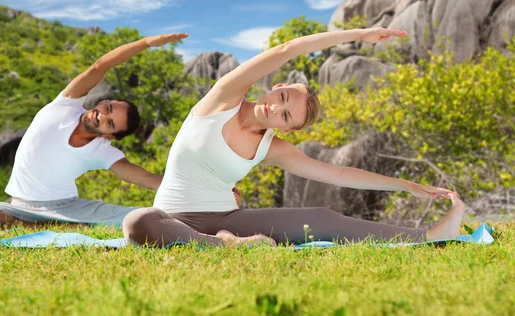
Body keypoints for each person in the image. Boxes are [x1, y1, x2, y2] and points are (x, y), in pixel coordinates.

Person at [123, 28, 466, 247]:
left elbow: (340, 174)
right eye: (282, 99)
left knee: (323, 218)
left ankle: (430, 236)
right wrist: (358, 34)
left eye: (286, 116)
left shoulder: (272, 147)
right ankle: (227, 246)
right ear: (277, 87)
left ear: (286, 129)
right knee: (138, 221)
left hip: (227, 218)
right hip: (171, 218)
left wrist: (403, 184)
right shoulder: (222, 99)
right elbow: (286, 49)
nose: (276, 109)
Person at [0, 33, 188, 230]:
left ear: (110, 136)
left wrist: (207, 188)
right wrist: (146, 43)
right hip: (18, 206)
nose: (101, 116)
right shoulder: (65, 105)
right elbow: (101, 66)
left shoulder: (102, 151)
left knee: (143, 216)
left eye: (109, 123)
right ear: (103, 101)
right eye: (107, 109)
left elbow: (147, 179)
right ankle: (51, 224)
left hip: (69, 207)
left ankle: (58, 223)